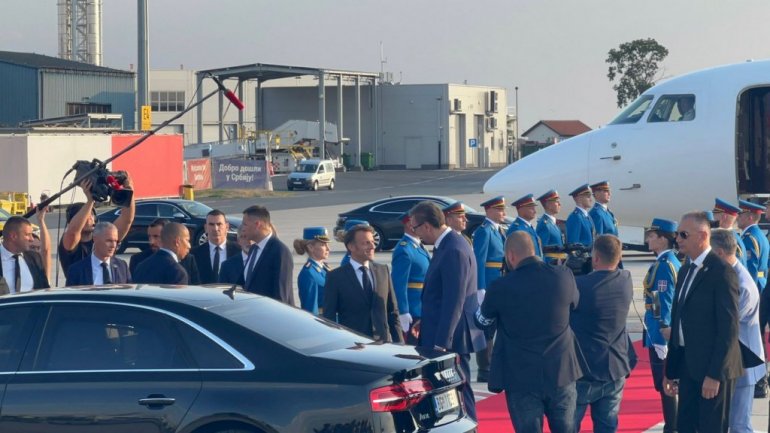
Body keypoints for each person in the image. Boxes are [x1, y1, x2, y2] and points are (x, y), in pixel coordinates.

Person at [476, 231, 581, 433]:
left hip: (521, 375)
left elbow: (482, 321)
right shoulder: (563, 275)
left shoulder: (501, 286)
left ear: (510, 256)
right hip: (561, 370)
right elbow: (575, 304)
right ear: (534, 250)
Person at [663, 211, 742, 433]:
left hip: (712, 369)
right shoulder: (685, 270)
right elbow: (679, 320)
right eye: (677, 234)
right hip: (688, 365)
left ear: (702, 235)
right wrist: (671, 371)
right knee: (685, 426)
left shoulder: (722, 272)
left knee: (711, 428)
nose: (677, 239)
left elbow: (729, 329)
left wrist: (715, 374)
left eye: (683, 234)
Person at [411, 201, 486, 422]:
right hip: (443, 331)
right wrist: (425, 321)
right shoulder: (448, 244)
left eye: (415, 227)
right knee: (448, 390)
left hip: (451, 337)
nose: (415, 233)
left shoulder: (453, 248)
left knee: (460, 388)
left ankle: (470, 425)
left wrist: (442, 342)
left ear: (426, 226)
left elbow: (455, 300)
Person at [571, 235, 634, 433]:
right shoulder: (626, 279)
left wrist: (568, 270)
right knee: (607, 426)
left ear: (595, 258)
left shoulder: (579, 285)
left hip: (584, 368)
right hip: (615, 366)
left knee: (569, 425)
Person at [710, 229, 765, 433]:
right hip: (735, 358)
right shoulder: (730, 275)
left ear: (720, 253)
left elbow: (727, 323)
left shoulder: (741, 283)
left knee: (739, 425)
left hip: (743, 360)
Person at [323, 224, 403, 343]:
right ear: (351, 246)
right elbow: (329, 318)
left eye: (373, 242)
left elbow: (393, 312)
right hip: (353, 345)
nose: (372, 246)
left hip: (383, 344)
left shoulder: (383, 271)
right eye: (366, 243)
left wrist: (399, 343)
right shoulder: (335, 277)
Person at [642, 217, 681, 433]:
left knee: (665, 382)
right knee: (666, 381)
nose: (648, 239)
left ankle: (672, 426)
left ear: (663, 239)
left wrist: (660, 335)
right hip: (660, 325)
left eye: (652, 236)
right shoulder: (666, 262)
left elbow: (662, 301)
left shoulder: (665, 266)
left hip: (661, 329)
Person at [59, 175, 136, 274]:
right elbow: (73, 231)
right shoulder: (69, 242)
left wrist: (128, 191)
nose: (91, 219)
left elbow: (126, 219)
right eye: (87, 216)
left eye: (92, 215)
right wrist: (90, 201)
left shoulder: (103, 236)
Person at [737, 199, 770, 397]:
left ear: (749, 217)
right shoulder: (758, 235)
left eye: (741, 214)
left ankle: (760, 380)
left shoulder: (750, 238)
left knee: (753, 338)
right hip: (762, 285)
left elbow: (749, 271)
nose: (738, 218)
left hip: (756, 289)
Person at [472, 195, 507, 383]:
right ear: (489, 211)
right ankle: (485, 368)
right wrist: (480, 288)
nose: (503, 213)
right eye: (499, 209)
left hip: (499, 284)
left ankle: (494, 364)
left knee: (497, 326)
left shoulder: (499, 230)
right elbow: (479, 261)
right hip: (489, 285)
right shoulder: (484, 232)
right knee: (487, 328)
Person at [240, 205, 294, 305]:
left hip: (271, 313)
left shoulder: (280, 251)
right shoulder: (253, 249)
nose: (242, 228)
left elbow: (281, 296)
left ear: (257, 224)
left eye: (245, 224)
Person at [390, 212, 430, 344]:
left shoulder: (418, 245)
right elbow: (398, 283)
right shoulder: (404, 249)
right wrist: (403, 311)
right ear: (409, 224)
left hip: (422, 306)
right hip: (413, 310)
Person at [129, 218, 200, 283]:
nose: (151, 242)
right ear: (177, 242)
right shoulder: (138, 261)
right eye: (149, 236)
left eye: (156, 236)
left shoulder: (188, 260)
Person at [66, 222, 130, 285]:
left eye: (115, 241)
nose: (113, 245)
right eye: (109, 241)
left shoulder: (122, 266)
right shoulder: (76, 270)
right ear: (95, 239)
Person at [0, 216, 49, 294]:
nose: (32, 239)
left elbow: (45, 289)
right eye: (28, 234)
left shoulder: (34, 258)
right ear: (13, 236)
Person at [189, 209, 240, 284]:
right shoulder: (194, 254)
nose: (215, 229)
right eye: (211, 224)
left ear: (227, 227)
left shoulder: (239, 251)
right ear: (206, 228)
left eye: (219, 224)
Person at [294, 227, 331, 315]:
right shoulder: (309, 274)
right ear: (310, 247)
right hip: (323, 320)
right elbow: (310, 308)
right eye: (323, 245)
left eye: (327, 244)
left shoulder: (324, 268)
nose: (328, 249)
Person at [712, 198, 747, 266]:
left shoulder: (731, 240)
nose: (713, 218)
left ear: (724, 217)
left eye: (715, 215)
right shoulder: (731, 237)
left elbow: (735, 268)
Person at [506, 193, 543, 258]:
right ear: (521, 209)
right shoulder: (516, 229)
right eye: (531, 208)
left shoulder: (529, 227)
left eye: (534, 208)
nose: (535, 211)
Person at [536, 189, 567, 265]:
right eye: (556, 201)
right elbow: (542, 251)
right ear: (548, 205)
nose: (559, 204)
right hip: (550, 265)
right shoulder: (544, 224)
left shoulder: (552, 222)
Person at [566, 183, 595, 248]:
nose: (591, 199)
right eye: (588, 196)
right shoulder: (575, 217)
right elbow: (573, 245)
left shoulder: (588, 216)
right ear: (578, 198)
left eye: (591, 196)